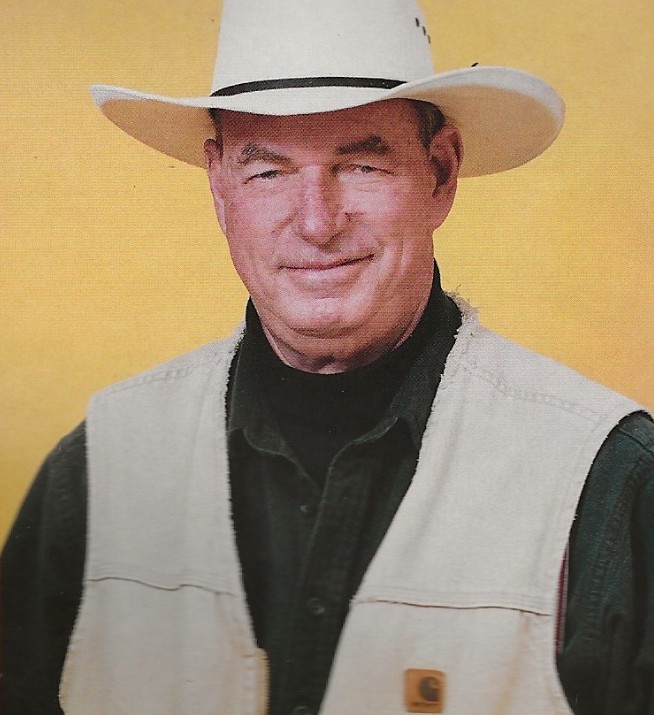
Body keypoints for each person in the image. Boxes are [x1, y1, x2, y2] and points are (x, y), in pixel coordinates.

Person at [2, 0, 653, 713]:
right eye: (268, 172)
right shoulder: (101, 468)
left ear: (440, 173)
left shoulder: (606, 480)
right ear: (218, 183)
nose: (316, 223)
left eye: (361, 164)